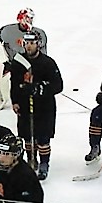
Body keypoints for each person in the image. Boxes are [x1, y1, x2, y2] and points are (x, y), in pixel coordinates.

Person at [8, 33, 63, 180]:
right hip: (25, 105)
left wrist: (40, 88)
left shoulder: (48, 63)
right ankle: (31, 160)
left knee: (43, 137)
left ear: (38, 44)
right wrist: (15, 101)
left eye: (32, 43)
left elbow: (58, 85)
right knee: (26, 136)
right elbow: (14, 84)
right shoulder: (19, 62)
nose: (29, 46)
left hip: (44, 106)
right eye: (26, 43)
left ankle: (44, 163)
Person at [0, 8, 48, 110]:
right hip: (11, 64)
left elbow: (43, 54)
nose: (29, 21)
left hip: (29, 66)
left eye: (31, 18)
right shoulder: (8, 30)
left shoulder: (39, 34)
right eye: (27, 18)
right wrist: (1, 57)